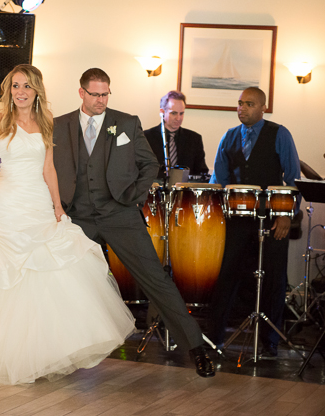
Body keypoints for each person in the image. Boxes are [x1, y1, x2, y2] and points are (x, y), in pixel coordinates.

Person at [0, 65, 135, 385]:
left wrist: (58, 206)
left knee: (45, 274)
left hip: (38, 206)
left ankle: (41, 353)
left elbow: (49, 167)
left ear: (37, 91)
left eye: (27, 86)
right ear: (9, 89)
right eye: (16, 86)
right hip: (7, 205)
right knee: (1, 277)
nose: (21, 92)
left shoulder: (47, 121)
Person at [52, 68, 215, 378]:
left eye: (106, 94)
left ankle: (197, 349)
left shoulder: (126, 122)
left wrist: (134, 197)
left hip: (120, 215)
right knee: (60, 280)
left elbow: (150, 164)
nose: (101, 100)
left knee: (156, 279)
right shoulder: (59, 125)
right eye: (95, 94)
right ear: (81, 92)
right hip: (78, 216)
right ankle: (58, 351)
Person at [208, 87, 300, 356]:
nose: (242, 108)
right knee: (225, 276)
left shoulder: (279, 133)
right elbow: (219, 181)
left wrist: (285, 214)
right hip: (236, 219)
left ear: (263, 108)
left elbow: (293, 178)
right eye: (239, 103)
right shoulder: (229, 136)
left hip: (272, 218)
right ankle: (214, 336)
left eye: (249, 104)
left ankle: (270, 341)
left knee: (273, 277)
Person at [144, 90, 208, 179]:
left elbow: (201, 172)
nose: (178, 118)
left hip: (184, 190)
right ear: (162, 112)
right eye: (173, 113)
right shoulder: (146, 137)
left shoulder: (194, 139)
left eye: (181, 113)